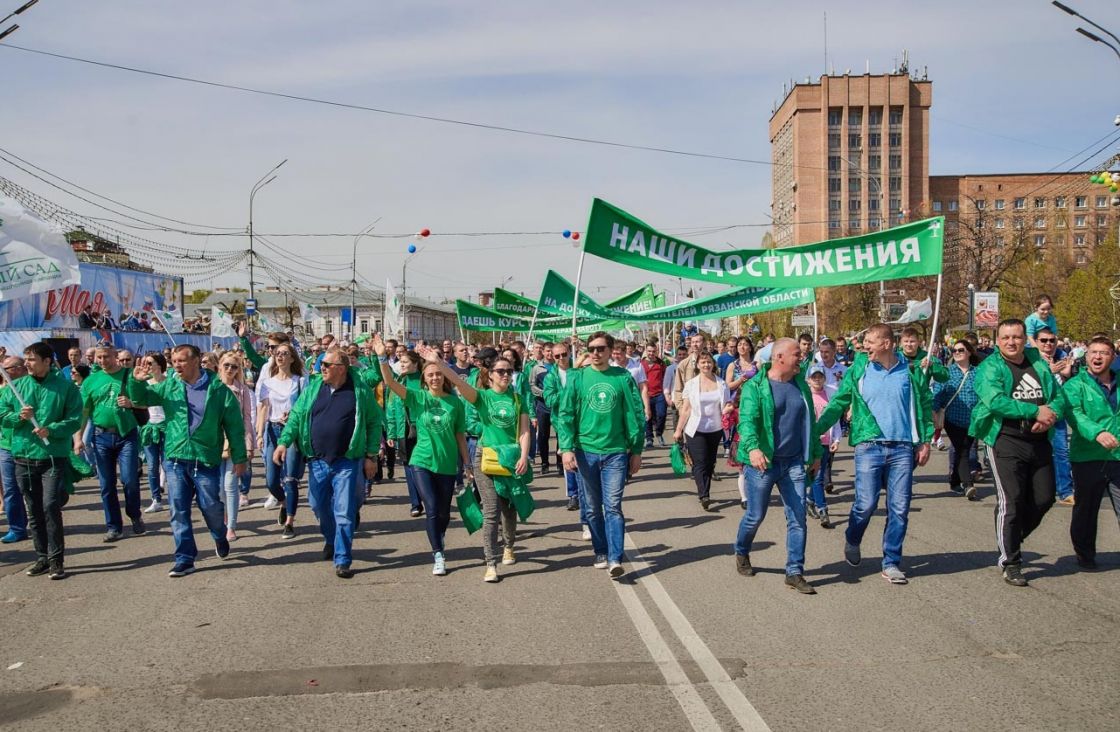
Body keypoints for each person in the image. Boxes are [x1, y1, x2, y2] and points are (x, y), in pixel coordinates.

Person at [816, 324, 934, 586]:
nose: (864, 345)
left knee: (899, 508)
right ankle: (853, 538)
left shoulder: (911, 371)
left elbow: (925, 405)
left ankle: (891, 561)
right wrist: (816, 431)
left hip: (903, 447)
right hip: (869, 445)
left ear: (888, 344)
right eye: (864, 341)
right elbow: (839, 402)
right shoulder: (860, 368)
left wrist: (925, 440)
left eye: (870, 341)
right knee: (866, 504)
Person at [129, 345, 248, 578]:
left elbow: (234, 426)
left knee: (211, 507)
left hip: (205, 458)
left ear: (196, 361)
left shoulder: (218, 390)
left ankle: (218, 534)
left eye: (182, 361)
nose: (176, 365)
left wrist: (240, 457)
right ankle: (185, 558)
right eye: (173, 361)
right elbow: (140, 400)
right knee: (178, 509)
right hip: (175, 457)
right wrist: (137, 382)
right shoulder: (170, 386)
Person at [969, 318, 1066, 587]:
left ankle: (1012, 534)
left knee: (1045, 498)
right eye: (1006, 338)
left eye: (1017, 337)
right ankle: (1010, 561)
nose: (1011, 342)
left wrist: (1051, 414)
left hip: (1038, 439)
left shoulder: (1037, 363)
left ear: (1025, 339)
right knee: (1011, 501)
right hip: (1004, 439)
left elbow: (1058, 396)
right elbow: (996, 401)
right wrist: (1035, 410)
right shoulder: (989, 368)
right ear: (997, 341)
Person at [421, 347, 531, 582]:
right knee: (491, 512)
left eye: (508, 371)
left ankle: (509, 545)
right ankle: (490, 563)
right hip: (487, 458)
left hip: (511, 459)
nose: (505, 375)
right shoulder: (482, 397)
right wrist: (438, 363)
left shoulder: (518, 399)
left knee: (509, 508)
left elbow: (523, 431)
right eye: (500, 371)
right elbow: (458, 384)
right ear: (490, 374)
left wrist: (524, 456)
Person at [275, 346, 380, 579]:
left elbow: (373, 422)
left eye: (326, 365)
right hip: (317, 461)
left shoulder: (359, 391)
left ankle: (342, 559)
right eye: (321, 364)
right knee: (317, 504)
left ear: (341, 368)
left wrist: (371, 456)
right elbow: (296, 417)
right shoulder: (313, 389)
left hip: (347, 461)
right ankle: (331, 539)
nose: (321, 368)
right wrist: (283, 443)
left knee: (343, 511)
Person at [374, 335, 469, 578]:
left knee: (445, 513)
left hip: (447, 464)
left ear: (443, 377)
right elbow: (390, 384)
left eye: (438, 374)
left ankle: (439, 535)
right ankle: (438, 553)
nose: (435, 378)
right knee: (433, 508)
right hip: (422, 461)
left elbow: (460, 436)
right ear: (424, 380)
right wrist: (382, 357)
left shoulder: (455, 403)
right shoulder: (418, 398)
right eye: (430, 375)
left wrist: (467, 464)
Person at [734, 338, 821, 594]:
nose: (801, 358)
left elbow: (811, 424)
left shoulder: (801, 386)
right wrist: (753, 448)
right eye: (797, 354)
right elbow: (747, 421)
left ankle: (794, 571)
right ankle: (742, 551)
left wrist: (815, 453)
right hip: (763, 462)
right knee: (755, 515)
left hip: (794, 462)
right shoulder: (755, 387)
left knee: (798, 518)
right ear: (780, 357)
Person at [556, 331, 645, 579]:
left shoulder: (622, 377)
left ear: (609, 351)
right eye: (592, 349)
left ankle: (616, 558)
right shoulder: (577, 377)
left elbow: (634, 413)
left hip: (616, 452)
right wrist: (566, 449)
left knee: (613, 506)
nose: (596, 353)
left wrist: (636, 450)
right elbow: (566, 415)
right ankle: (601, 550)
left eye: (601, 349)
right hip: (586, 452)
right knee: (593, 508)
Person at [0, 343, 83, 579]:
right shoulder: (16, 387)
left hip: (52, 456)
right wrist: (18, 416)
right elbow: (2, 414)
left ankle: (57, 560)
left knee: (49, 506)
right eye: (25, 359)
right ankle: (42, 558)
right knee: (34, 509)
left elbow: (75, 418)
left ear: (47, 361)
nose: (27, 363)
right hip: (23, 456)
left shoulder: (65, 387)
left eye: (32, 359)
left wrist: (52, 430)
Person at [1062, 335, 1120, 570]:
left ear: (1113, 357)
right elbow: (1074, 414)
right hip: (1088, 456)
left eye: (1104, 353)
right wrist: (1096, 432)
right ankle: (1084, 554)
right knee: (1086, 510)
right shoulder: (1075, 385)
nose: (1098, 357)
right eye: (1093, 352)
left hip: (1118, 457)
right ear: (1086, 356)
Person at [76, 345, 145, 542]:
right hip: (101, 436)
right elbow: (84, 412)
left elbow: (146, 400)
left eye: (106, 357)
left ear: (115, 356)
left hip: (126, 434)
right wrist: (78, 438)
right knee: (106, 484)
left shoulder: (130, 375)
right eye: (99, 357)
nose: (102, 361)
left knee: (129, 479)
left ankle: (134, 514)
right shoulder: (91, 381)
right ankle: (114, 526)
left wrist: (132, 404)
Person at [255, 343, 307, 538]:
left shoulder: (299, 381)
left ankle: (290, 522)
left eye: (285, 353)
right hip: (272, 431)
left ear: (292, 358)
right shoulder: (268, 383)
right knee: (271, 481)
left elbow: (305, 407)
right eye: (277, 353)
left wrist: (293, 414)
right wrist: (259, 434)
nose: (280, 356)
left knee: (290, 479)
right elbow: (263, 409)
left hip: (291, 432)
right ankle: (284, 503)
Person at [673, 352, 732, 511]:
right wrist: (678, 430)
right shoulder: (691, 384)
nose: (706, 365)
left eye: (709, 362)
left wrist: (729, 408)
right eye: (703, 362)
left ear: (713, 364)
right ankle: (704, 495)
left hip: (715, 428)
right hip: (695, 428)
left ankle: (705, 489)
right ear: (698, 365)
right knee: (699, 462)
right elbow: (685, 409)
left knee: (710, 462)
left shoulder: (721, 383)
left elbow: (726, 404)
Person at [933, 340, 981, 500]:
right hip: (952, 418)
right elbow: (938, 393)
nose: (957, 353)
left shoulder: (978, 372)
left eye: (961, 350)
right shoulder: (947, 372)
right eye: (954, 350)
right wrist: (933, 412)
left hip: (973, 418)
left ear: (969, 352)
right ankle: (968, 484)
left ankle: (954, 479)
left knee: (963, 449)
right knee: (963, 449)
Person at [217, 352, 255, 541]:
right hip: (215, 441)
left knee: (230, 485)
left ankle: (231, 526)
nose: (230, 369)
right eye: (227, 366)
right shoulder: (213, 387)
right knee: (218, 487)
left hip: (235, 440)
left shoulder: (243, 390)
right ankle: (224, 515)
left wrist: (249, 445)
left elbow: (247, 418)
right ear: (220, 366)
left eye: (234, 366)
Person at [1036, 327, 1076, 506]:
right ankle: (1037, 488)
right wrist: (1048, 371)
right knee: (1036, 452)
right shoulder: (1031, 359)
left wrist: (1068, 375)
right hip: (1036, 412)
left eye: (1051, 340)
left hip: (1057, 413)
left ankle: (1065, 490)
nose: (1048, 344)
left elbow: (1075, 384)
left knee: (1061, 451)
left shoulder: (1063, 357)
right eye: (1044, 340)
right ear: (1036, 342)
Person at [806, 364, 840, 528]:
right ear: (809, 380)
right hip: (813, 442)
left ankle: (810, 499)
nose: (817, 379)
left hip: (827, 441)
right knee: (818, 477)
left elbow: (835, 418)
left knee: (817, 475)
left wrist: (837, 439)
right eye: (814, 377)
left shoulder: (830, 394)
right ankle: (823, 510)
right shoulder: (805, 396)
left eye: (820, 376)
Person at [0, 355, 28, 544]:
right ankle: (17, 528)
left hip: (29, 445)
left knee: (33, 490)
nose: (2, 373)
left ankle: (39, 522)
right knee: (11, 490)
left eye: (6, 369)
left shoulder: (31, 387)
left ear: (18, 369)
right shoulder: (3, 390)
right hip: (7, 446)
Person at [138, 352, 168, 513]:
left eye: (150, 363)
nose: (147, 366)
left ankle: (178, 494)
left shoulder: (169, 382)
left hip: (167, 427)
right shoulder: (144, 383)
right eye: (145, 363)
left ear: (159, 364)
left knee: (167, 464)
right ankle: (156, 498)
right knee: (151, 466)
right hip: (150, 427)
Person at [528, 342, 556, 474]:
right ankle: (545, 462)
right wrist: (543, 393)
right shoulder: (537, 368)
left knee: (561, 435)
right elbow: (532, 385)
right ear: (543, 352)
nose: (550, 354)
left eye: (552, 351)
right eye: (547, 351)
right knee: (543, 435)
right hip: (543, 405)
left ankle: (561, 463)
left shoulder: (559, 366)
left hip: (558, 406)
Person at [641, 343, 668, 448]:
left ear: (656, 351)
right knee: (647, 417)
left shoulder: (661, 363)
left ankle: (659, 433)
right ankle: (649, 438)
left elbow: (666, 377)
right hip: (645, 394)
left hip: (659, 394)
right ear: (646, 351)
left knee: (661, 415)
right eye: (649, 351)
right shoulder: (641, 364)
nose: (651, 353)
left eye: (653, 351)